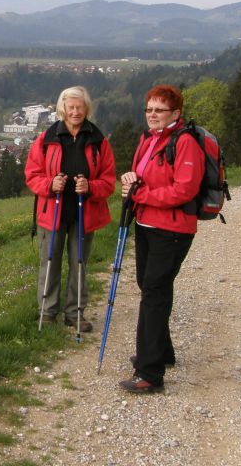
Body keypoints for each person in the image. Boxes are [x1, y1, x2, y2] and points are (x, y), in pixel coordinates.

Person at [119, 84, 205, 394]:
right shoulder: (149, 140)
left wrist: (142, 193)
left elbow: (185, 189)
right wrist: (131, 178)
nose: (153, 115)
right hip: (146, 224)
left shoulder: (185, 143)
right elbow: (143, 174)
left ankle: (149, 373)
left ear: (176, 114)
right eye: (149, 109)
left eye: (160, 110)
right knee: (151, 284)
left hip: (172, 230)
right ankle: (161, 352)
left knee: (153, 292)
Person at [25, 86, 116, 332]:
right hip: (51, 213)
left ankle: (75, 314)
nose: (75, 112)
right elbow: (32, 175)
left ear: (87, 109)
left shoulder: (99, 141)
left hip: (83, 213)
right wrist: (49, 183)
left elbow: (109, 182)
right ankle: (47, 313)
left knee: (79, 263)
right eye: (71, 107)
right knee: (50, 263)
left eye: (80, 107)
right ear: (62, 109)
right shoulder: (46, 139)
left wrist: (90, 187)